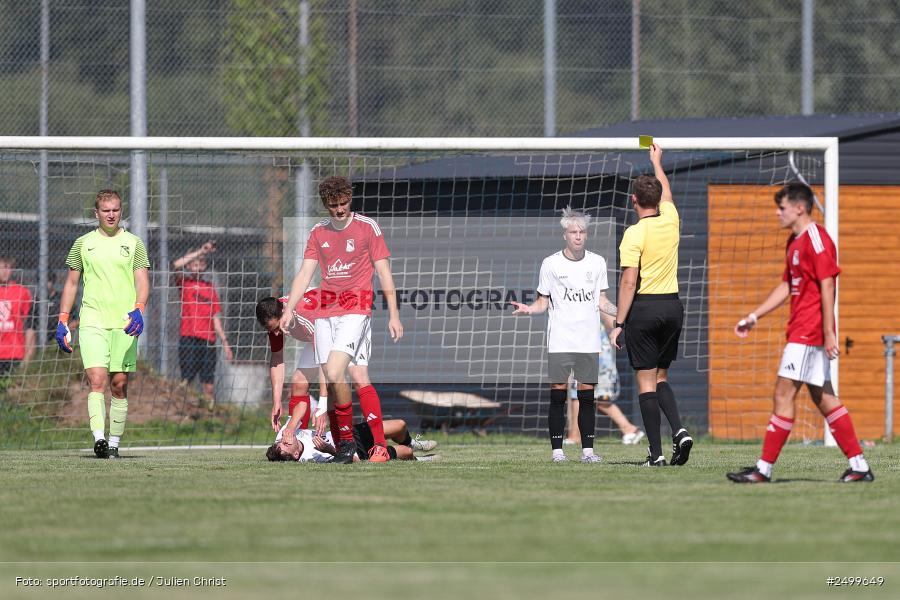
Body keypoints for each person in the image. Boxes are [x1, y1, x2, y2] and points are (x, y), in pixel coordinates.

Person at [727, 183, 873, 483]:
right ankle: (859, 466)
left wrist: (830, 332)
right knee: (824, 398)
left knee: (783, 393)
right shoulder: (793, 241)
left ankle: (763, 470)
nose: (777, 213)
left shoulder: (816, 239)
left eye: (781, 208)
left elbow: (828, 284)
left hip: (809, 331)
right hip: (800, 329)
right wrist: (755, 315)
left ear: (799, 208)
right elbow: (786, 286)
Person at [280, 176, 403, 463]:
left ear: (350, 199)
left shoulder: (367, 227)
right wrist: (289, 309)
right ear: (325, 205)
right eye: (333, 205)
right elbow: (304, 274)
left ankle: (366, 446)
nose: (339, 209)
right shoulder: (318, 233)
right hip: (325, 315)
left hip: (356, 311)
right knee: (341, 382)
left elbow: (384, 273)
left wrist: (394, 315)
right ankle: (345, 448)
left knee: (340, 374)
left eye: (344, 203)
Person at [258, 291, 434, 461]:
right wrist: (276, 402)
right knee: (298, 382)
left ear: (284, 312)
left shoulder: (307, 317)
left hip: (345, 323)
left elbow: (324, 363)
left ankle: (381, 445)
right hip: (321, 336)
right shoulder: (275, 317)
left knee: (356, 378)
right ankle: (300, 439)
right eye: (271, 330)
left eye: (277, 328)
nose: (275, 334)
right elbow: (277, 358)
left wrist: (322, 405)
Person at [511, 207, 618, 463]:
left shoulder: (597, 262)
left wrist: (621, 311)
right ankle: (557, 451)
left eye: (582, 232)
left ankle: (588, 452)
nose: (578, 236)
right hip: (560, 339)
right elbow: (542, 302)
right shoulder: (551, 263)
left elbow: (602, 301)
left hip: (588, 340)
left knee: (587, 397)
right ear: (565, 235)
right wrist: (529, 309)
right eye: (573, 232)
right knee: (558, 394)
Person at [609, 144, 692, 467]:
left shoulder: (633, 233)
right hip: (673, 308)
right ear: (658, 201)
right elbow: (667, 193)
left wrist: (619, 322)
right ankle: (680, 431)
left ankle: (656, 454)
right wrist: (657, 162)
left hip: (644, 309)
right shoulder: (670, 219)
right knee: (661, 378)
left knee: (645, 382)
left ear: (634, 201)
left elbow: (629, 281)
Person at [56, 190, 150, 459]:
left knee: (119, 384)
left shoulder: (134, 243)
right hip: (92, 321)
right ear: (96, 213)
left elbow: (143, 281)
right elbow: (72, 283)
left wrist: (139, 309)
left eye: (116, 210)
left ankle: (114, 443)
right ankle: (98, 439)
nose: (111, 214)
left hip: (124, 324)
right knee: (96, 380)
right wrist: (63, 320)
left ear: (121, 211)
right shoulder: (82, 244)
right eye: (106, 210)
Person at [265, 398, 439, 463]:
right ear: (295, 455)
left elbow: (303, 403)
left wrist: (289, 426)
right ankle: (419, 459)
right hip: (357, 451)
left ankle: (413, 443)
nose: (284, 440)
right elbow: (353, 461)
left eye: (280, 442)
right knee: (405, 452)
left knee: (400, 425)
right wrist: (330, 450)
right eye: (285, 445)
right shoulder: (310, 458)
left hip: (348, 433)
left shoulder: (284, 434)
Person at [172, 240, 233, 409]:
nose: (197, 266)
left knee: (208, 382)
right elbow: (175, 265)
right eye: (194, 264)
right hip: (189, 336)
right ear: (190, 266)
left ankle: (209, 413)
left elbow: (216, 318)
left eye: (201, 263)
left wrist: (225, 342)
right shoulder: (184, 283)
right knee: (187, 379)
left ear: (205, 266)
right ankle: (183, 411)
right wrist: (201, 251)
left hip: (208, 340)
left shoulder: (210, 288)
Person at [565, 328, 644, 445]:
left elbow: (612, 322)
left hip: (599, 356)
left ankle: (629, 429)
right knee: (579, 395)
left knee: (597, 398)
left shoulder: (599, 311)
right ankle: (575, 435)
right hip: (584, 353)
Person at [0, 256, 36, 381]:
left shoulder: (22, 292)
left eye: (8, 268)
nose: (4, 271)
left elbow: (31, 325)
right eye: (1, 268)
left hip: (15, 353)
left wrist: (28, 353)